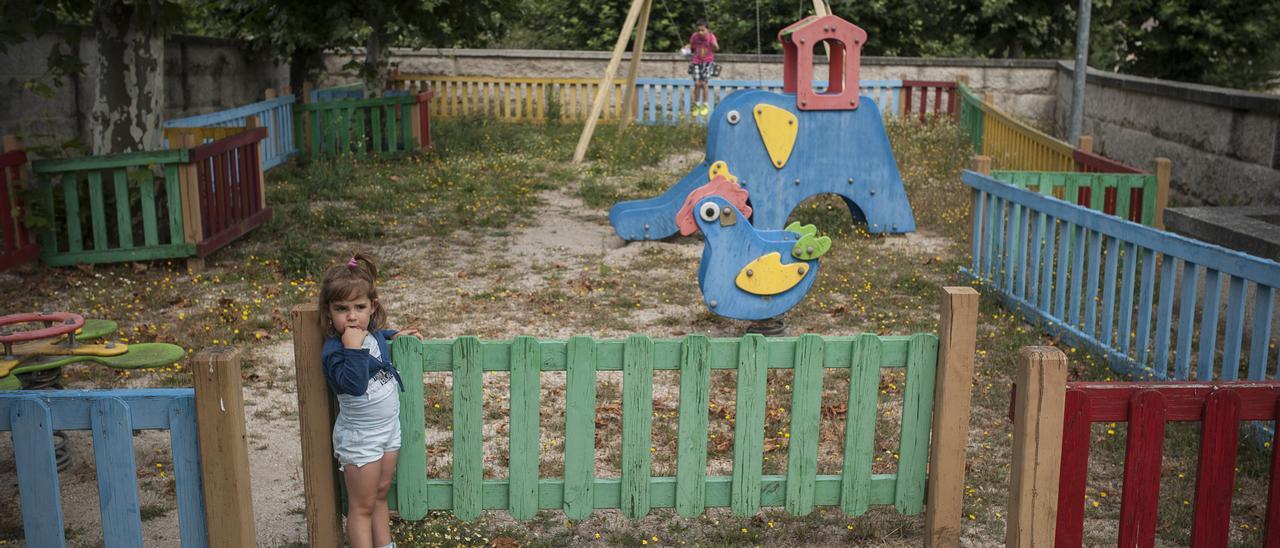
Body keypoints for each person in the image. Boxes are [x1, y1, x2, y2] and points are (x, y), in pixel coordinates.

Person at [319, 252, 422, 548]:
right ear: (329, 311)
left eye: (359, 307)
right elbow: (353, 385)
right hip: (360, 437)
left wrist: (395, 333)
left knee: (380, 494)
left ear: (371, 306)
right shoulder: (335, 351)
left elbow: (376, 335)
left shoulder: (370, 334)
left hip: (388, 430)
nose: (352, 316)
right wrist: (352, 351)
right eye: (342, 309)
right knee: (361, 506)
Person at [686, 19, 719, 117]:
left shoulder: (711, 37)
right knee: (696, 83)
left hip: (708, 62)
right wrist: (685, 49)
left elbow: (717, 48)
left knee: (704, 83)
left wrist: (714, 45)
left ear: (707, 30)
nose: (700, 32)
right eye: (699, 30)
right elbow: (691, 45)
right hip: (696, 61)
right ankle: (696, 105)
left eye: (703, 30)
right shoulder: (695, 36)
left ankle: (705, 105)